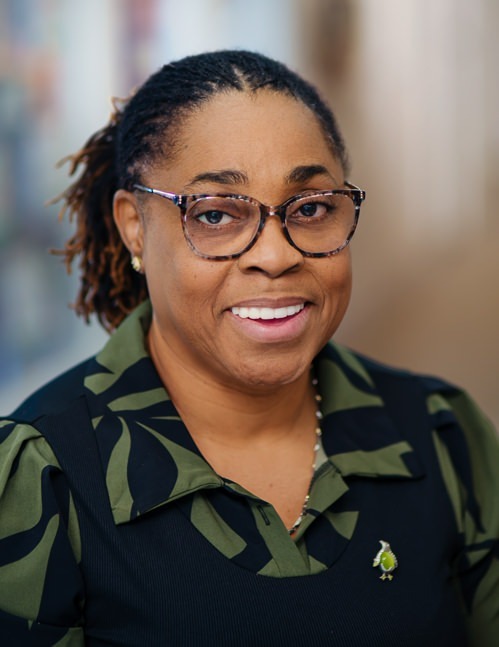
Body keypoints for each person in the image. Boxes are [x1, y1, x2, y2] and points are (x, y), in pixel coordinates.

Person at [0, 50, 497, 647]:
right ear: (135, 227)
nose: (276, 254)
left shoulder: (440, 435)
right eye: (215, 216)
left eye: (311, 208)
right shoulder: (43, 476)